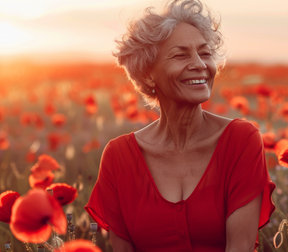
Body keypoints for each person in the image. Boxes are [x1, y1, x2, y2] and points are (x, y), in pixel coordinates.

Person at [85, 0, 275, 251]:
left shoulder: (240, 140)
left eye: (205, 53)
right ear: (148, 73)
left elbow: (240, 246)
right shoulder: (119, 157)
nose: (200, 64)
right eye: (180, 55)